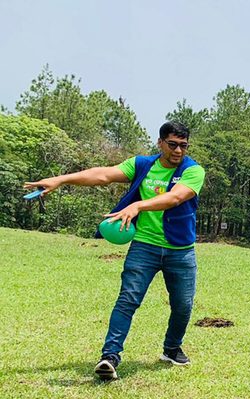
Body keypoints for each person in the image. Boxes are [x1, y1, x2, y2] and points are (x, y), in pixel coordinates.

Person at [24, 121, 206, 380]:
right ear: (160, 143)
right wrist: (61, 180)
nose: (178, 151)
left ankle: (172, 349)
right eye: (173, 145)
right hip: (144, 246)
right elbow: (104, 175)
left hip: (180, 250)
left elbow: (175, 198)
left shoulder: (193, 170)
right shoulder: (143, 165)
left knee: (183, 305)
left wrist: (138, 206)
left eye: (183, 146)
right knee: (127, 299)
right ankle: (110, 357)